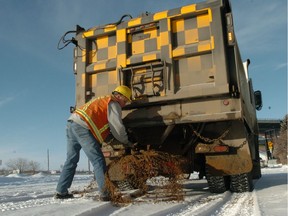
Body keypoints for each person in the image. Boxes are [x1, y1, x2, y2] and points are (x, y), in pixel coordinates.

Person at [55, 85, 133, 201]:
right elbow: (117, 127)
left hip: (71, 124)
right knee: (98, 160)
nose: (125, 104)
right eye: (125, 100)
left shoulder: (101, 100)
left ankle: (61, 191)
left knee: (71, 159)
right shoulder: (113, 103)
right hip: (82, 127)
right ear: (119, 96)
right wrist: (126, 141)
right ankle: (105, 193)